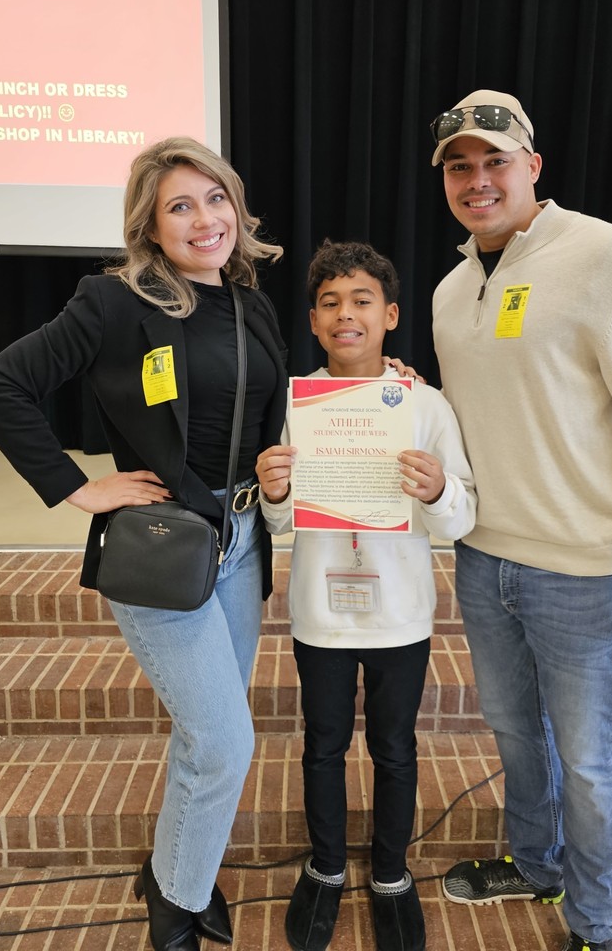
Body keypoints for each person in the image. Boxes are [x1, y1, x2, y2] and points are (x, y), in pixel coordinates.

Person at [0, 137, 289, 951]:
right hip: (163, 546)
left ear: (236, 207)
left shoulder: (253, 302)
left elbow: (258, 419)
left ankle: (169, 869)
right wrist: (78, 488)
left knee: (203, 731)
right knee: (224, 740)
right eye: (179, 206)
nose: (204, 219)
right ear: (150, 226)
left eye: (215, 198)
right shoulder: (112, 303)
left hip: (242, 540)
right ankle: (175, 909)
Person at [427, 88, 612, 951]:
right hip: (486, 560)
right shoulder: (453, 290)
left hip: (587, 570)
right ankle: (538, 864)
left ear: (533, 166)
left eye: (495, 161)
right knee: (517, 735)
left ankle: (597, 927)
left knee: (592, 763)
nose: (477, 180)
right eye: (459, 166)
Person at [255, 240, 476, 951]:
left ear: (389, 315)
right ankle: (323, 869)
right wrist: (275, 489)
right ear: (314, 323)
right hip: (321, 613)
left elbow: (463, 514)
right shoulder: (296, 404)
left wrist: (439, 489)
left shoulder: (425, 404)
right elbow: (279, 521)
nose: (345, 315)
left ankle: (389, 874)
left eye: (360, 301)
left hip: (401, 613)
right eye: (329, 304)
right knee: (322, 747)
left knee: (394, 749)